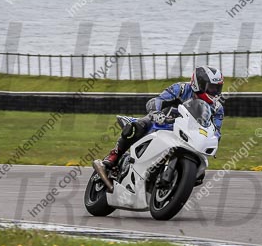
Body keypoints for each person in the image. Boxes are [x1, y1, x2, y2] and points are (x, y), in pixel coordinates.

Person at [94, 66, 224, 176]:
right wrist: (156, 113)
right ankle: (114, 156)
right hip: (162, 123)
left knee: (199, 175)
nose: (215, 92)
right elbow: (158, 100)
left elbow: (216, 132)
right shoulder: (182, 89)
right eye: (212, 88)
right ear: (199, 84)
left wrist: (211, 141)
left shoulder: (217, 108)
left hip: (188, 134)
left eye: (218, 88)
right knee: (137, 126)